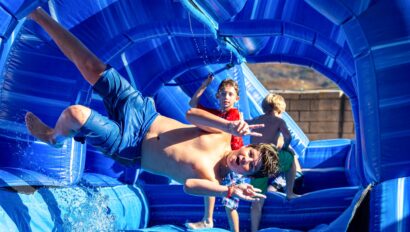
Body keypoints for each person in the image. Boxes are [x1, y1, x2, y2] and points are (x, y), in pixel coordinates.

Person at [24, 8, 279, 202]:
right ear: (250, 147)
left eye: (249, 167)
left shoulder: (214, 179)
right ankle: (38, 15)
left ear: (245, 176)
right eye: (251, 155)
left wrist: (228, 190)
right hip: (144, 114)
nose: (244, 161)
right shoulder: (224, 135)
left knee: (74, 115)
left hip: (130, 146)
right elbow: (191, 115)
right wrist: (229, 126)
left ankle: (53, 137)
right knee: (93, 66)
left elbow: (189, 186)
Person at [186, 75, 244, 231]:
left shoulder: (234, 114)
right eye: (223, 93)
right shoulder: (217, 115)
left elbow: (229, 127)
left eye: (230, 94)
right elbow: (192, 104)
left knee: (229, 204)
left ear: (236, 98)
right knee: (209, 182)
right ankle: (207, 220)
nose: (226, 97)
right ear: (217, 96)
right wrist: (204, 85)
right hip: (219, 161)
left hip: (233, 164)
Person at [247, 93, 303, 232]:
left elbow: (244, 124)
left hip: (255, 164)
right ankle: (289, 192)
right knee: (291, 158)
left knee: (257, 201)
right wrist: (285, 148)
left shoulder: (255, 120)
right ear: (280, 110)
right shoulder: (279, 121)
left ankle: (254, 230)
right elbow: (288, 137)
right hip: (269, 159)